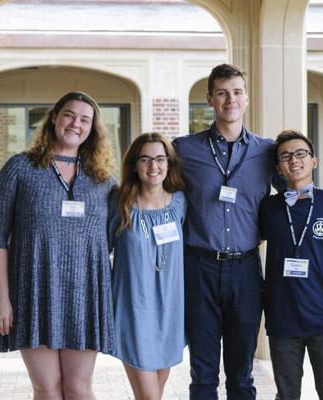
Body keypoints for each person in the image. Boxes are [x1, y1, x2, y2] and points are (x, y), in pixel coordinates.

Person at [0, 91, 118, 399]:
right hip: (34, 293)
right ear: (55, 118)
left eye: (85, 120)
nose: (76, 124)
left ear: (92, 129)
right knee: (46, 387)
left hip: (85, 296)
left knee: (78, 387)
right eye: (70, 115)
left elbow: (122, 235)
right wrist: (0, 298)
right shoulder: (19, 169)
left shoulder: (104, 179)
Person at [172, 63, 280, 400]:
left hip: (247, 269)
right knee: (202, 374)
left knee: (241, 375)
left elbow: (292, 197)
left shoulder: (267, 151)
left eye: (236, 92)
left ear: (246, 99)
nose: (229, 99)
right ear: (209, 99)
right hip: (198, 267)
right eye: (221, 93)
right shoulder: (184, 150)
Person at [259, 130, 323, 400]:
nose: (293, 160)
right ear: (278, 167)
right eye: (285, 156)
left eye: (301, 154)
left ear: (313, 161)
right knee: (287, 395)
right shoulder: (268, 207)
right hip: (281, 318)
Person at [107, 133, 187, 400]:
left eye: (160, 158)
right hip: (133, 311)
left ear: (169, 163)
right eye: (145, 159)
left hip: (170, 313)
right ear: (134, 164)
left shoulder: (180, 202)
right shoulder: (118, 203)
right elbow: (99, 251)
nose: (154, 166)